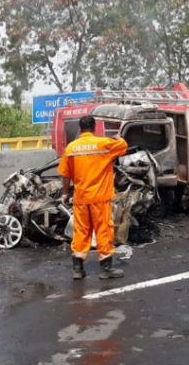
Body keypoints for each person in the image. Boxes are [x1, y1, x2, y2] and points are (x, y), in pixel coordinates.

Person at [57, 115, 128, 280]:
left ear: (79, 129)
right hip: (100, 198)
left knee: (81, 231)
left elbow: (65, 174)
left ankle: (78, 269)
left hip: (81, 198)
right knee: (103, 230)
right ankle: (106, 269)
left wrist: (65, 194)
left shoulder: (71, 148)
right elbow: (123, 146)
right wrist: (118, 137)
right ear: (94, 129)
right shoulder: (103, 144)